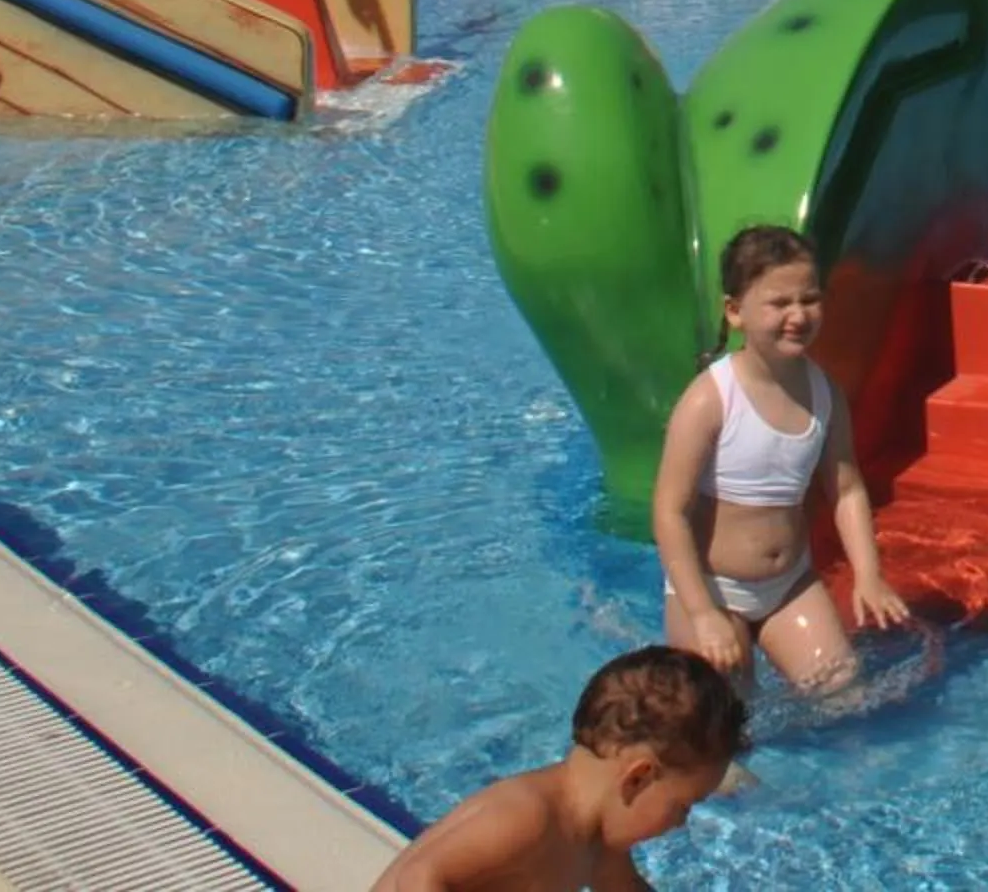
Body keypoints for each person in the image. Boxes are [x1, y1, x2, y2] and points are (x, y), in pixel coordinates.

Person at [655, 227, 908, 693]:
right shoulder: (710, 400)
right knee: (724, 715)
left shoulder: (824, 394)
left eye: (810, 299)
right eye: (779, 303)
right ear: (735, 311)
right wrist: (702, 612)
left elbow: (846, 490)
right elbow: (670, 512)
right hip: (713, 587)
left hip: (789, 586)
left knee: (842, 690)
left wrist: (868, 576)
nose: (798, 315)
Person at [367, 645, 743, 892]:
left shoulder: (601, 845)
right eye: (684, 806)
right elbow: (419, 878)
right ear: (638, 778)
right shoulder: (526, 816)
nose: (681, 823)